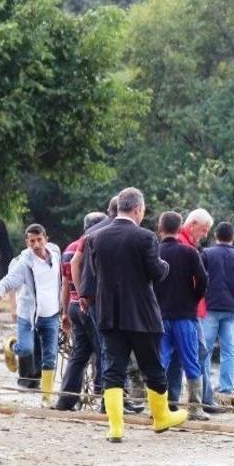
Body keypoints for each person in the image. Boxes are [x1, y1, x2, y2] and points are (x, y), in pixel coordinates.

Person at [80, 187, 183, 440]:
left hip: (109, 314)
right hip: (142, 315)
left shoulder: (96, 237)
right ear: (137, 209)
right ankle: (161, 418)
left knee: (112, 370)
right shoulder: (145, 237)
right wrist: (166, 265)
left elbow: (94, 272)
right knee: (153, 367)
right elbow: (157, 273)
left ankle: (115, 427)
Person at [0, 224, 63, 406]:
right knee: (27, 349)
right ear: (27, 242)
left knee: (50, 356)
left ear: (46, 238)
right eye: (32, 241)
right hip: (28, 316)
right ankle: (12, 347)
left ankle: (46, 398)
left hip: (51, 315)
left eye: (39, 240)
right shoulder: (24, 263)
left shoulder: (56, 253)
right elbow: (4, 284)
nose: (36, 244)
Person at [154, 211, 209, 420]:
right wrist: (193, 300)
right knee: (191, 360)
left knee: (161, 361)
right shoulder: (190, 253)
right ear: (180, 229)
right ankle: (195, 408)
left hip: (160, 315)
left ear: (160, 229)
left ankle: (158, 408)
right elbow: (203, 280)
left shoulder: (154, 253)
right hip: (185, 316)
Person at [55, 211, 106, 411]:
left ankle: (66, 400)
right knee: (104, 351)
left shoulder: (68, 249)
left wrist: (65, 312)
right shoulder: (93, 246)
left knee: (79, 354)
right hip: (89, 305)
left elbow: (65, 284)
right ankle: (105, 398)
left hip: (74, 307)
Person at [167, 208, 216, 409]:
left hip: (185, 310)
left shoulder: (186, 246)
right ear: (192, 224)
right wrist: (193, 300)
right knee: (197, 353)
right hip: (186, 312)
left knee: (177, 356)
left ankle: (173, 401)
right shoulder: (185, 248)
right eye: (204, 230)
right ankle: (198, 402)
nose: (205, 235)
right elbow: (202, 280)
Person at [202, 221, 234, 400]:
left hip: (210, 308)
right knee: (228, 350)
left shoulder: (206, 254)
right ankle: (227, 389)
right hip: (232, 310)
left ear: (215, 236)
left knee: (204, 350)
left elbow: (197, 281)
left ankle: (203, 389)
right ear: (233, 237)